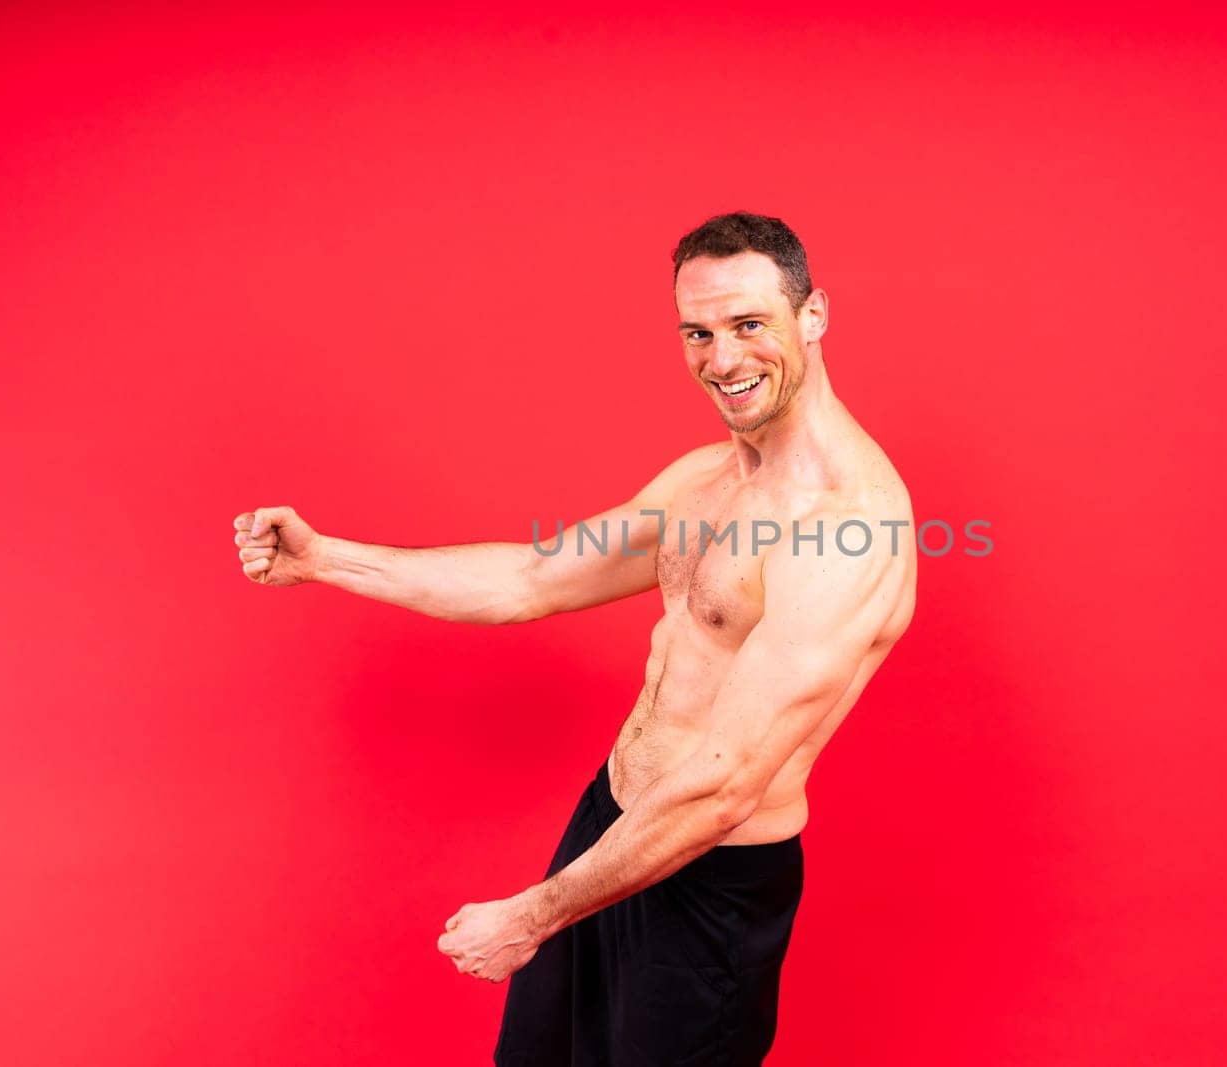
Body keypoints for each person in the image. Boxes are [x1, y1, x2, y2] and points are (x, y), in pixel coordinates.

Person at [231, 211, 916, 1065]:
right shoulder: (704, 480)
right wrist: (326, 559)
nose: (724, 358)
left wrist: (532, 915)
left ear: (812, 315)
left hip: (707, 887)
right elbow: (533, 578)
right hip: (611, 832)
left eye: (749, 325)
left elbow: (728, 785)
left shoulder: (847, 529)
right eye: (697, 333)